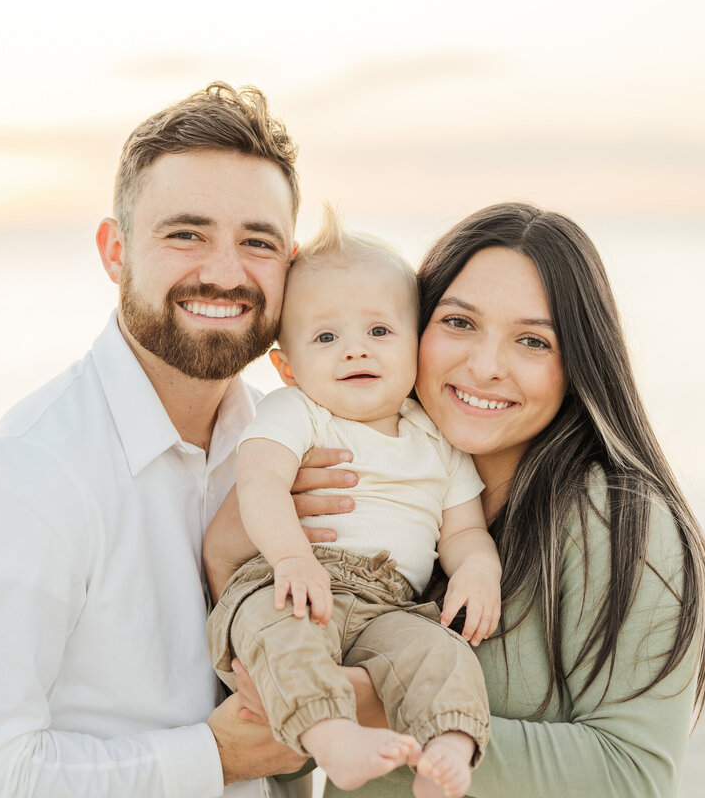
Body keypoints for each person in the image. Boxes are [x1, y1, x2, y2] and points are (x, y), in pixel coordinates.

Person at [0, 82, 348, 798]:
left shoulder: (288, 445)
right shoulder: (28, 476)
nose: (225, 273)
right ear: (115, 251)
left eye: (257, 243)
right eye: (186, 234)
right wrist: (216, 756)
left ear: (289, 264)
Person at [206, 202, 705, 796]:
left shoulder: (620, 519)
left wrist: (384, 711)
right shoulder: (359, 475)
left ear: (578, 360)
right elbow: (282, 754)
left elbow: (634, 778)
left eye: (532, 340)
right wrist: (225, 560)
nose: (485, 366)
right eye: (458, 323)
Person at [208, 207, 500, 798]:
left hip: (392, 604)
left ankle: (449, 746)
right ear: (287, 367)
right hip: (288, 582)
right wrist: (292, 557)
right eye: (326, 337)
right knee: (281, 637)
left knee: (436, 651)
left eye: (379, 331)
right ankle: (332, 737)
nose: (355, 351)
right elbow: (260, 484)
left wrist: (479, 568)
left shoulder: (435, 440)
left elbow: (463, 530)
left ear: (417, 345)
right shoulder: (298, 412)